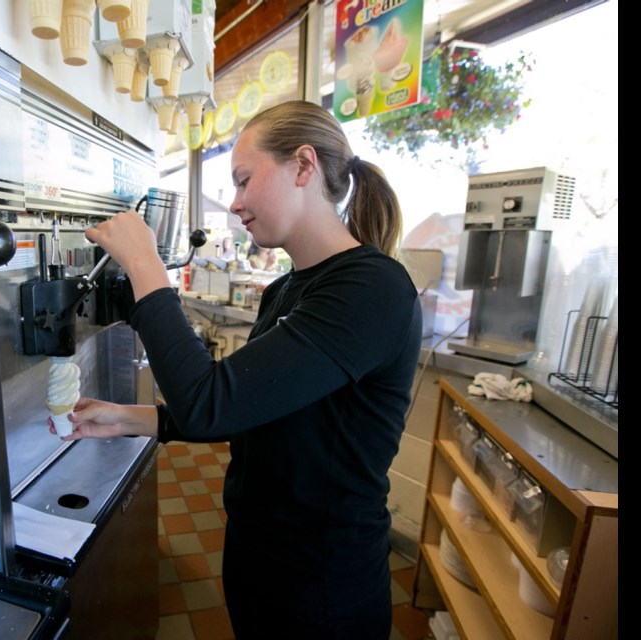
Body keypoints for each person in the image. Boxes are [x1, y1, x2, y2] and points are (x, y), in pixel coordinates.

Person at [53, 100, 422, 638]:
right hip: (257, 559)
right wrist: (131, 418)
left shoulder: (373, 288)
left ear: (303, 165)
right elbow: (246, 409)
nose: (236, 204)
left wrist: (145, 265)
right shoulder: (286, 288)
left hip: (322, 586)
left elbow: (208, 404)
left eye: (245, 181)